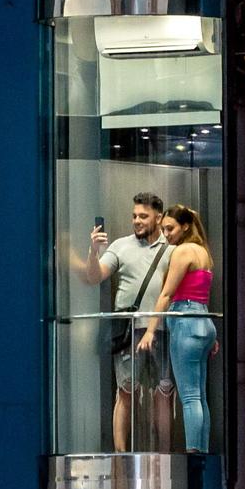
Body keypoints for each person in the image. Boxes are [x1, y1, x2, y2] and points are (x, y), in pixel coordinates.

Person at [84, 192, 175, 450]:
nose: (137, 221)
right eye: (134, 215)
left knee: (164, 392)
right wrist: (93, 251)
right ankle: (120, 452)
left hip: (162, 328)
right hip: (128, 328)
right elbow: (95, 276)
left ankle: (165, 451)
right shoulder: (120, 246)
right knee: (125, 390)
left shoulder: (171, 250)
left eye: (143, 216)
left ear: (158, 217)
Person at [137, 203, 217, 453]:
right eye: (163, 230)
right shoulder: (203, 252)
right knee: (200, 396)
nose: (166, 234)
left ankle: (194, 452)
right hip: (203, 321)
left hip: (185, 320)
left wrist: (150, 330)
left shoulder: (182, 252)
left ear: (185, 226)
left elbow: (167, 294)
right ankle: (200, 450)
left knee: (190, 396)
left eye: (170, 229)